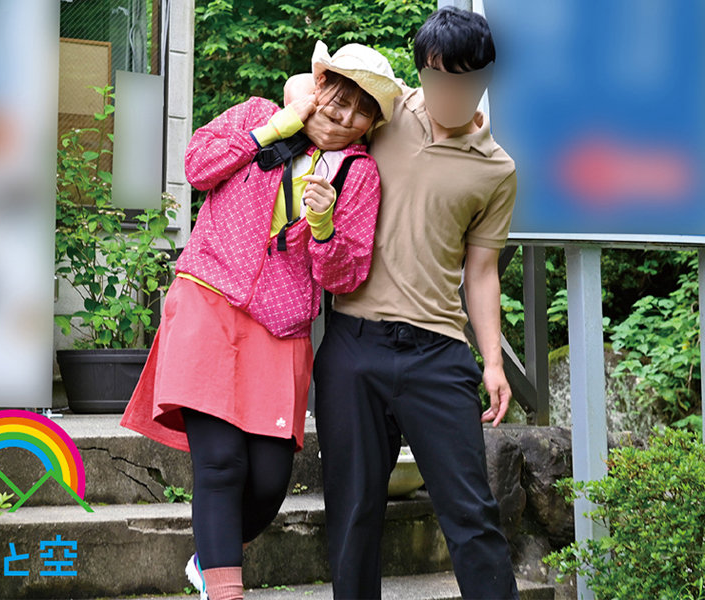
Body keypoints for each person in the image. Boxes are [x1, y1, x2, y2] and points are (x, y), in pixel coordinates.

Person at [119, 41, 402, 600]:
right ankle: (225, 589)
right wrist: (272, 129)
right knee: (221, 463)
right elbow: (198, 167)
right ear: (319, 86)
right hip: (208, 301)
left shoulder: (360, 174)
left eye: (361, 109)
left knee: (270, 482)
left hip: (281, 328)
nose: (343, 114)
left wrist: (323, 225)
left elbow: (345, 275)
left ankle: (212, 557)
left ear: (372, 124)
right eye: (338, 95)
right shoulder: (257, 113)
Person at [288, 7, 520, 599]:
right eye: (437, 77)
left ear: (485, 79)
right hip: (353, 343)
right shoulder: (386, 115)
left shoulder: (497, 170)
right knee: (352, 514)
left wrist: (493, 362)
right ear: (422, 72)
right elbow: (309, 87)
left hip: (438, 352)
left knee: (471, 514)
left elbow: (482, 272)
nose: (449, 92)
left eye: (465, 81)